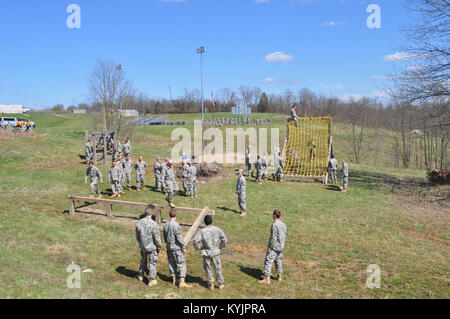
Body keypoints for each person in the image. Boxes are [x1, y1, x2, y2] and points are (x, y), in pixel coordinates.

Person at [193, 215, 228, 290]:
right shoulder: (217, 229)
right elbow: (224, 239)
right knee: (218, 268)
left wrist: (199, 247)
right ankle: (220, 284)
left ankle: (211, 284)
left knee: (208, 268)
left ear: (204, 222)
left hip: (206, 252)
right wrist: (220, 247)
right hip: (215, 252)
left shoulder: (202, 231)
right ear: (211, 221)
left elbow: (195, 241)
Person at [163, 208, 192, 288]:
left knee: (171, 264)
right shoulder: (176, 226)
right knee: (181, 264)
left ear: (169, 215)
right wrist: (183, 247)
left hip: (169, 247)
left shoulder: (165, 225)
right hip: (177, 248)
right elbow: (180, 238)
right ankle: (182, 282)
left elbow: (165, 237)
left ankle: (174, 280)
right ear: (176, 215)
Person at [135, 207, 162, 287]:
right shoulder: (154, 224)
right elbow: (157, 238)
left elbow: (137, 235)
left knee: (143, 260)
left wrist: (140, 243)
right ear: (151, 214)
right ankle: (151, 279)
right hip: (152, 246)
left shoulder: (139, 223)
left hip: (143, 245)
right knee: (152, 262)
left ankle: (140, 275)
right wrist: (159, 248)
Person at [259, 210, 287, 285]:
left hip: (275, 247)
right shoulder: (284, 224)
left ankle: (267, 279)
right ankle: (279, 277)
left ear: (274, 215)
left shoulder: (274, 225)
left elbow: (273, 237)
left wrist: (270, 247)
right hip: (281, 246)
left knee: (268, 261)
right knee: (278, 261)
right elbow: (284, 235)